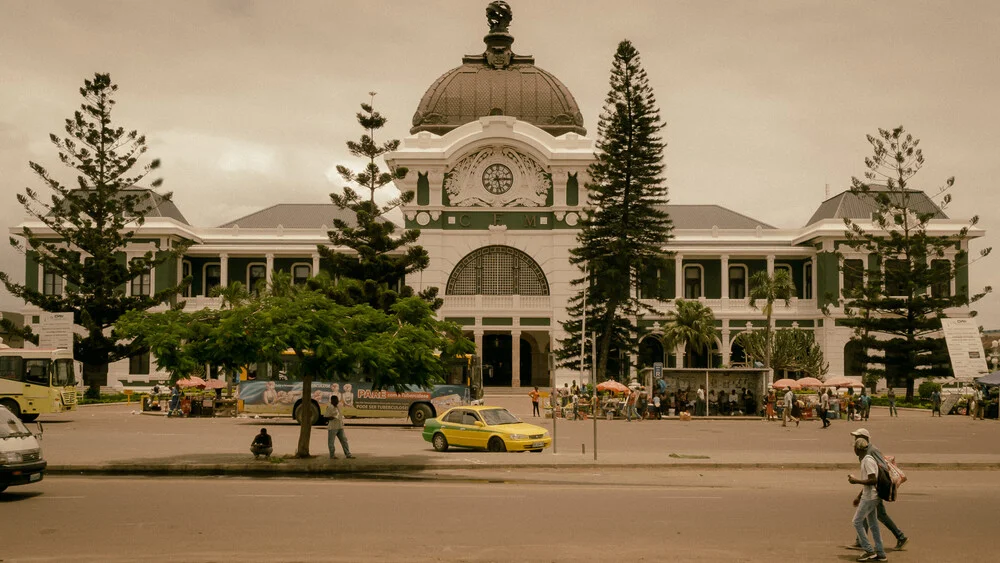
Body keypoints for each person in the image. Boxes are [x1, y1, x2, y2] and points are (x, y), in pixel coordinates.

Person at [849, 428, 908, 553]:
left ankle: (900, 537)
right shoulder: (864, 453)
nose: (854, 440)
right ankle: (862, 541)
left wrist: (861, 489)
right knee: (869, 515)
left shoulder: (871, 451)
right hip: (871, 490)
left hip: (876, 490)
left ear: (863, 439)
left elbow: (879, 473)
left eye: (857, 437)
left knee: (879, 515)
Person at [848, 436, 887, 561]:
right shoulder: (866, 459)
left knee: (857, 521)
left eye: (854, 447)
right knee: (873, 524)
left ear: (858, 449)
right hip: (870, 495)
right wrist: (859, 496)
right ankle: (880, 552)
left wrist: (856, 481)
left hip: (870, 497)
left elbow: (872, 480)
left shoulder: (867, 460)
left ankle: (869, 550)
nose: (853, 449)